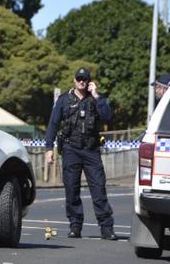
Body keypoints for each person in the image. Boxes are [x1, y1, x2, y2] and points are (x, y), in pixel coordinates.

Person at [44, 67, 117, 240]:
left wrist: (97, 96)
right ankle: (75, 226)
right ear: (74, 80)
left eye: (85, 79)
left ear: (89, 81)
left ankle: (106, 228)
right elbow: (53, 124)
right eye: (79, 78)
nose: (82, 82)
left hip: (91, 150)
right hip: (71, 149)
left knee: (99, 189)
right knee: (72, 189)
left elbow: (107, 117)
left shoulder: (97, 99)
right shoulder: (64, 100)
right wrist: (49, 148)